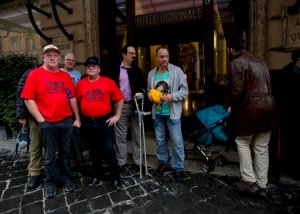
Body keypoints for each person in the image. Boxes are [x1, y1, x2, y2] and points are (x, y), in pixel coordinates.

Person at [21, 44, 81, 198]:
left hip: (66, 120)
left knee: (65, 153)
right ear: (44, 57)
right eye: (49, 55)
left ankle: (66, 178)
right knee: (49, 155)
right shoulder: (35, 75)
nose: (53, 58)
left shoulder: (65, 76)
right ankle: (51, 182)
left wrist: (77, 118)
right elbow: (28, 99)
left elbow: (72, 98)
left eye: (55, 55)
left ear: (59, 58)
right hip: (47, 122)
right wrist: (41, 120)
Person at [226, 39, 276, 197]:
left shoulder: (237, 62)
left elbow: (236, 92)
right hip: (269, 106)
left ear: (231, 49)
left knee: (242, 141)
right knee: (262, 146)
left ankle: (249, 181)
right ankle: (262, 184)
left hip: (250, 108)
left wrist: (232, 108)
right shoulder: (260, 60)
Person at [76, 56, 123, 190]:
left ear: (99, 69)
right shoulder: (81, 83)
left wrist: (117, 115)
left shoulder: (108, 82)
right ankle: (96, 175)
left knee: (109, 150)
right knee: (93, 151)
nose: (90, 67)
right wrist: (79, 118)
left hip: (105, 122)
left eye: (94, 66)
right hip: (88, 124)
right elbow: (76, 101)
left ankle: (116, 178)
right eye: (88, 66)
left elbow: (120, 99)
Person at [147, 45, 189, 183]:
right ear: (156, 57)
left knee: (177, 141)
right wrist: (150, 97)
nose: (164, 59)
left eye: (166, 56)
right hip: (158, 112)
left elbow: (185, 91)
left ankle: (178, 168)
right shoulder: (151, 74)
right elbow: (149, 91)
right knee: (160, 140)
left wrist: (173, 96)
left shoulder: (176, 71)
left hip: (173, 113)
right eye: (161, 56)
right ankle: (163, 163)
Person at [112, 45, 148, 173]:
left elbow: (144, 86)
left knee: (137, 134)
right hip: (120, 106)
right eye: (131, 53)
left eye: (134, 53)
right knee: (120, 136)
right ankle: (122, 162)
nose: (134, 55)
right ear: (124, 54)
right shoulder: (115, 69)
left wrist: (141, 92)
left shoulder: (136, 70)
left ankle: (138, 162)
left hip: (135, 106)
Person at [16, 67, 43, 190]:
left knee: (54, 146)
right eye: (48, 55)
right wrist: (21, 114)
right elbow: (21, 93)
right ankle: (35, 173)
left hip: (53, 117)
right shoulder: (30, 73)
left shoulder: (56, 73)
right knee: (36, 145)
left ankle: (54, 169)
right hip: (34, 117)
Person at [276, 49, 300, 179]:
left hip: (294, 115)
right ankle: (287, 167)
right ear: (299, 59)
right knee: (289, 141)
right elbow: (282, 96)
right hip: (288, 115)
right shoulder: (286, 73)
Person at [61, 53, 84, 168]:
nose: (70, 62)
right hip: (63, 107)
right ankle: (67, 159)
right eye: (68, 59)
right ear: (64, 61)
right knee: (66, 134)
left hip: (75, 106)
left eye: (72, 60)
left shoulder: (78, 74)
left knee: (76, 132)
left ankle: (77, 158)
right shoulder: (59, 72)